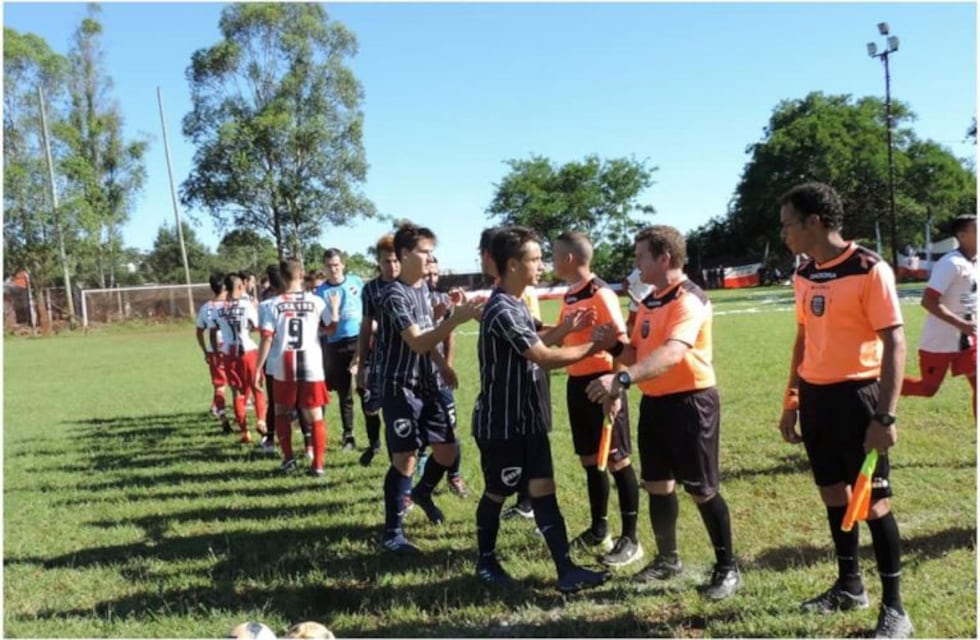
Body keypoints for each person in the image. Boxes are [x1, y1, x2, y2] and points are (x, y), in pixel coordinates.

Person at [776, 182, 911, 638]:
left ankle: (895, 608)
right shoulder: (803, 273)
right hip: (816, 399)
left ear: (814, 221)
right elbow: (803, 338)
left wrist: (884, 416)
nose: (784, 234)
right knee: (833, 495)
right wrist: (792, 399)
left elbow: (894, 339)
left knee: (874, 504)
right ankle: (850, 585)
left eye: (788, 224)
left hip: (859, 398)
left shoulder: (870, 268)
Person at [586, 224, 741, 601]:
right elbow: (636, 355)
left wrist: (622, 382)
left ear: (664, 258)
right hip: (654, 403)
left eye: (641, 257)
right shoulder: (650, 301)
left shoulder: (690, 299)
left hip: (691, 404)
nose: (636, 265)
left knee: (702, 489)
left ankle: (727, 567)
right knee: (658, 485)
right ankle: (667, 559)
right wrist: (614, 346)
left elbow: (674, 352)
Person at [472, 225, 610, 593]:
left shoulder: (516, 304)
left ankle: (566, 570)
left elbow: (538, 339)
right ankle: (485, 562)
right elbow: (543, 358)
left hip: (526, 420)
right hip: (502, 424)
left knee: (544, 488)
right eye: (534, 259)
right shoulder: (500, 309)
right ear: (514, 264)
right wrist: (593, 348)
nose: (541, 265)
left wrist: (568, 328)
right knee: (497, 492)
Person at [377, 222, 483, 554]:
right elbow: (417, 340)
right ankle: (393, 533)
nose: (430, 259)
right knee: (406, 457)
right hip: (400, 387)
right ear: (405, 254)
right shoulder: (392, 294)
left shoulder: (425, 290)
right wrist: (455, 319)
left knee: (448, 452)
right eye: (425, 252)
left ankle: (422, 492)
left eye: (432, 253)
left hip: (429, 385)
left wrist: (443, 365)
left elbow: (428, 339)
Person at [553, 231, 643, 568]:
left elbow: (619, 340)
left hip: (602, 384)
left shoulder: (600, 293)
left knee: (617, 461)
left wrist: (614, 388)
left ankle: (631, 539)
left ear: (570, 259)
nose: (551, 260)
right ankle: (598, 529)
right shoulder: (569, 294)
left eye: (554, 254)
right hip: (577, 384)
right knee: (591, 461)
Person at [255, 258, 338, 477]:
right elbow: (330, 329)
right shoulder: (317, 301)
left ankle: (289, 459)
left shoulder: (273, 304)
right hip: (311, 364)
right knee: (315, 415)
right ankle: (318, 464)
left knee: (281, 411)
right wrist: (336, 310)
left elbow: (266, 338)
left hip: (284, 364)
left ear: (281, 278)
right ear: (301, 275)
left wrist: (258, 369)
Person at [902, 214, 977, 416]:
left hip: (968, 342)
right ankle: (883, 387)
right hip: (940, 342)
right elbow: (928, 301)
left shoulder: (974, 262)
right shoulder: (951, 263)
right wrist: (962, 323)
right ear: (962, 235)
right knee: (928, 389)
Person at [422, 256, 470, 498]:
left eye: (435, 274)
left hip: (439, 376)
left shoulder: (443, 298)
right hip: (416, 377)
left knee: (450, 429)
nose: (431, 278)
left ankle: (455, 476)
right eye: (427, 274)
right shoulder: (412, 297)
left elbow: (449, 334)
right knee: (419, 435)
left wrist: (448, 365)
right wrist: (433, 317)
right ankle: (419, 483)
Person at [356, 234, 400, 466]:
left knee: (397, 417)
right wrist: (362, 363)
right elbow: (365, 327)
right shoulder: (370, 289)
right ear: (378, 262)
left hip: (406, 362)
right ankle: (374, 444)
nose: (391, 266)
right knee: (370, 407)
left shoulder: (408, 285)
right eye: (386, 261)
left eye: (395, 261)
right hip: (380, 359)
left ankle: (398, 467)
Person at [315, 249, 365, 452]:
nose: (333, 269)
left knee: (365, 389)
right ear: (324, 268)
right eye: (329, 265)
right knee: (343, 392)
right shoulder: (320, 293)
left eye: (336, 264)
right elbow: (318, 324)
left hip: (359, 339)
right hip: (334, 344)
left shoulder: (356, 282)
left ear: (343, 264)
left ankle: (374, 440)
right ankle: (347, 435)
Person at [214, 273, 268, 444]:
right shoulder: (246, 306)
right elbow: (257, 326)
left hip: (229, 353)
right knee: (257, 387)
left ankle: (245, 432)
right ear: (239, 287)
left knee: (237, 393)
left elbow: (213, 331)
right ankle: (261, 420)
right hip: (248, 351)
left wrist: (216, 352)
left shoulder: (219, 308)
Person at [195, 271, 232, 434]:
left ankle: (222, 416)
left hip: (213, 350)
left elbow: (199, 331)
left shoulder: (206, 307)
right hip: (232, 348)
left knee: (220, 386)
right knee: (240, 385)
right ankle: (244, 420)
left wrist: (205, 350)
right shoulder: (232, 305)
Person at [624, 266, 655, 336]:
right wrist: (634, 299)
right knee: (632, 326)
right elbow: (624, 285)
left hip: (649, 305)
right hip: (636, 306)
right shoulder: (638, 271)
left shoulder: (655, 270)